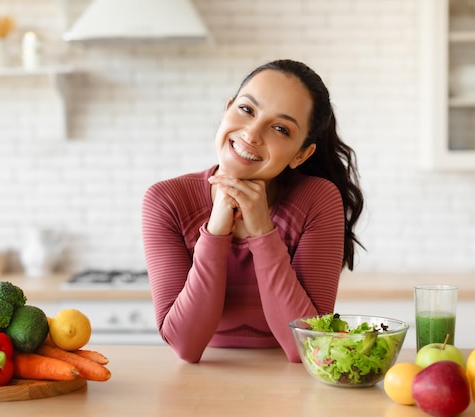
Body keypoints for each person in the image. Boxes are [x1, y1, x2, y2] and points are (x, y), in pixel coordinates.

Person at [141, 59, 364, 363]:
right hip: (202, 379)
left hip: (289, 384)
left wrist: (262, 232)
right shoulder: (166, 200)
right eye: (246, 110)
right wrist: (216, 231)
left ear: (301, 154)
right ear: (228, 108)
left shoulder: (317, 200)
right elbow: (185, 345)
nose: (252, 134)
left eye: (280, 128)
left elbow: (309, 346)